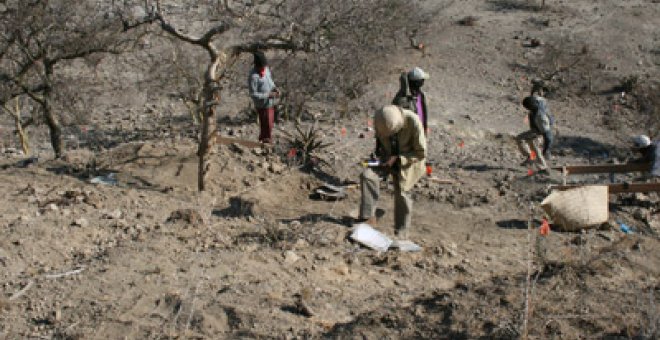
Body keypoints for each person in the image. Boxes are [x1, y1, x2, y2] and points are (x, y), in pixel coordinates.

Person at [357, 105, 427, 239]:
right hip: (387, 157)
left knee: (402, 192)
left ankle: (401, 232)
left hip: (408, 161)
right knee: (367, 176)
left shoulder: (413, 121)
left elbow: (420, 153)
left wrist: (398, 159)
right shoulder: (380, 119)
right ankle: (367, 218)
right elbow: (379, 145)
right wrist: (379, 158)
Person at [516, 90, 554, 171]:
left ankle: (542, 166)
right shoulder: (538, 100)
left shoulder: (540, 116)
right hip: (538, 126)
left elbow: (548, 136)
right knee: (527, 141)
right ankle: (531, 158)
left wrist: (546, 149)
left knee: (533, 144)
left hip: (541, 129)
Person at [248, 51, 279, 143]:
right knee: (266, 124)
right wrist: (267, 95)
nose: (264, 67)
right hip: (262, 105)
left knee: (270, 124)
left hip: (270, 102)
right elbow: (253, 94)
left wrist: (275, 88)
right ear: (257, 66)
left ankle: (266, 140)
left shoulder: (266, 70)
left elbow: (270, 81)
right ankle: (264, 142)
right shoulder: (253, 77)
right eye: (261, 66)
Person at [392, 67, 430, 134]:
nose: (423, 82)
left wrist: (425, 127)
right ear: (418, 83)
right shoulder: (402, 99)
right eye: (422, 81)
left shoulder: (420, 95)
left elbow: (423, 112)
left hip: (419, 130)